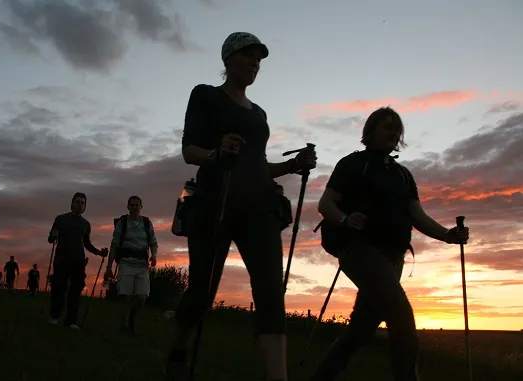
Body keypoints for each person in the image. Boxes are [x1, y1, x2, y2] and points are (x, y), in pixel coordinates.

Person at [164, 32, 317, 381]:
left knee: (269, 292)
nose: (255, 64)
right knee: (202, 291)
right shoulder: (205, 95)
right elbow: (190, 151)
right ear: (228, 59)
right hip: (213, 203)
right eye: (248, 56)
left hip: (260, 207)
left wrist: (292, 166)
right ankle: (177, 351)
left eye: (259, 59)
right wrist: (217, 154)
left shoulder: (259, 113)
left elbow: (258, 164)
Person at [311, 107, 470, 381]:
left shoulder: (403, 175)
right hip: (359, 250)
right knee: (401, 319)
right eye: (388, 127)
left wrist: (448, 235)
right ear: (370, 131)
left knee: (360, 330)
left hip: (394, 258)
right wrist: (346, 219)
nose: (394, 133)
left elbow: (417, 215)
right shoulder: (352, 164)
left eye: (398, 129)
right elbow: (326, 205)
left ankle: (321, 377)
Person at [47, 192, 108, 329]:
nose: (80, 204)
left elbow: (87, 243)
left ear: (85, 206)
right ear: (72, 203)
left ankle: (71, 321)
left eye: (82, 203)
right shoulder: (60, 219)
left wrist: (98, 252)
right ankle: (54, 317)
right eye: (78, 202)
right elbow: (51, 239)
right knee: (59, 288)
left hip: (78, 261)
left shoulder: (86, 224)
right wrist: (53, 235)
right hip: (61, 259)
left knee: (75, 291)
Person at [103, 195, 158, 336]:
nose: (134, 207)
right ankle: (124, 327)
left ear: (141, 207)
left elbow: (153, 241)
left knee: (142, 297)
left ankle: (131, 318)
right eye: (131, 205)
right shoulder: (123, 223)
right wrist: (109, 266)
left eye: (136, 205)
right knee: (125, 296)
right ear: (128, 207)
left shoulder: (146, 223)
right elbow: (114, 244)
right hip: (126, 263)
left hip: (142, 264)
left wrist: (154, 256)